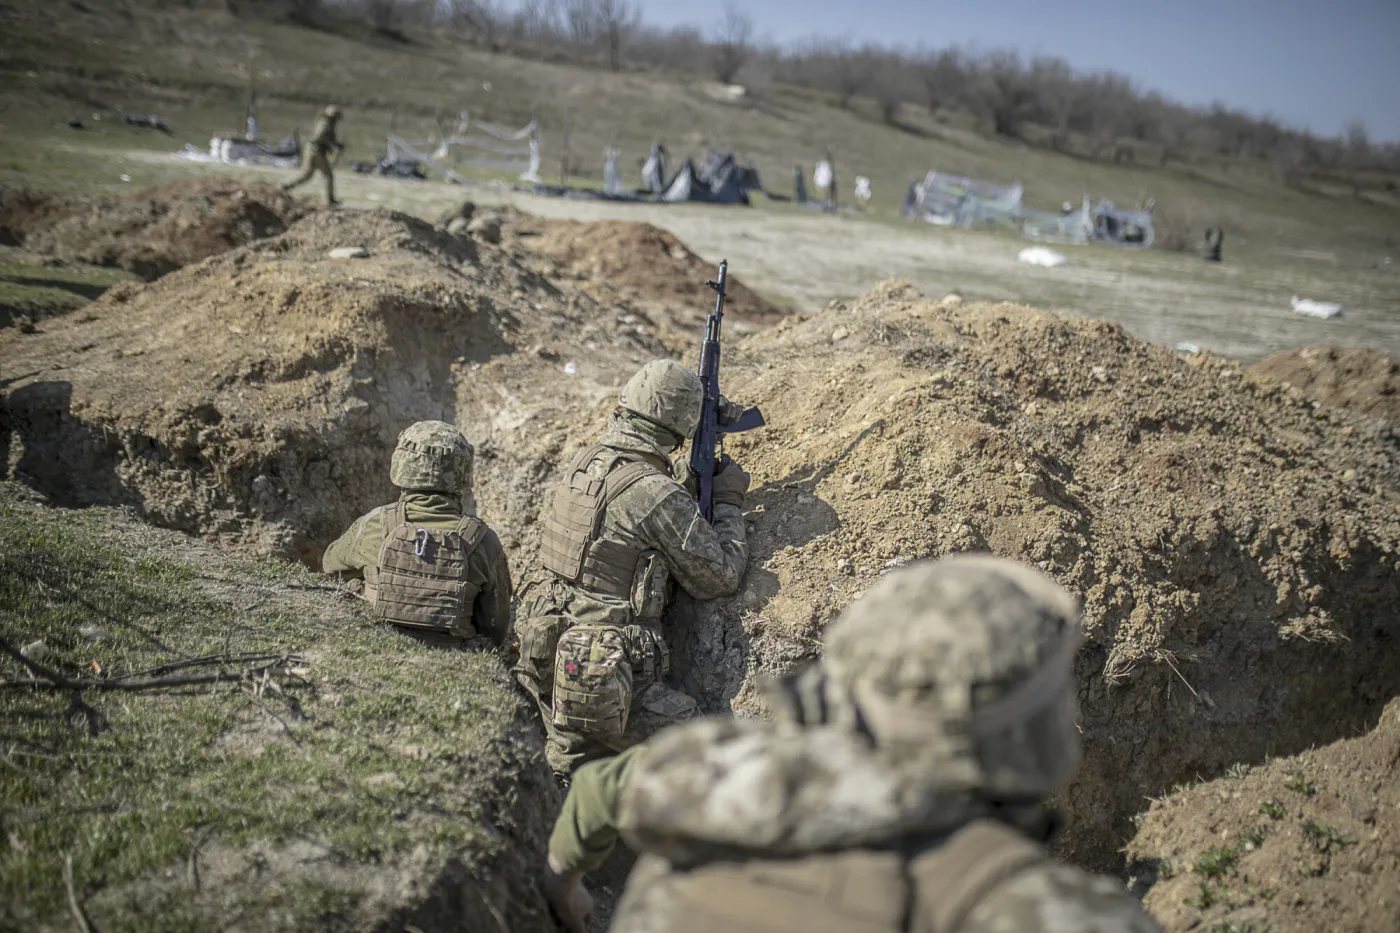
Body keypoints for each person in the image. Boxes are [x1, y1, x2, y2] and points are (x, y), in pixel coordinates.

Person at [542, 555, 1163, 933]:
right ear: (1035, 730)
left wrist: (563, 884)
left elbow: (599, 788)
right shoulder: (1056, 914)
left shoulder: (713, 774)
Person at [514, 359, 751, 778]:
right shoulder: (654, 493)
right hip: (607, 671)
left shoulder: (585, 463)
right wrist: (729, 502)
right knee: (713, 753)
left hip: (547, 653)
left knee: (569, 764)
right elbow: (720, 578)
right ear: (681, 427)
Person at [323, 420, 512, 649]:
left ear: (402, 465)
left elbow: (330, 567)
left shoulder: (375, 523)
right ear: (462, 472)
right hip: (454, 659)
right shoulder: (484, 540)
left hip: (378, 648)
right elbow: (495, 627)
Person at [282, 104, 345, 206]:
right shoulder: (325, 124)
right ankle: (330, 200)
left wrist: (336, 144)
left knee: (306, 175)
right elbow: (319, 137)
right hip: (316, 151)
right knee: (328, 175)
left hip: (312, 151)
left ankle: (285, 187)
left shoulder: (325, 123)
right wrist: (333, 144)